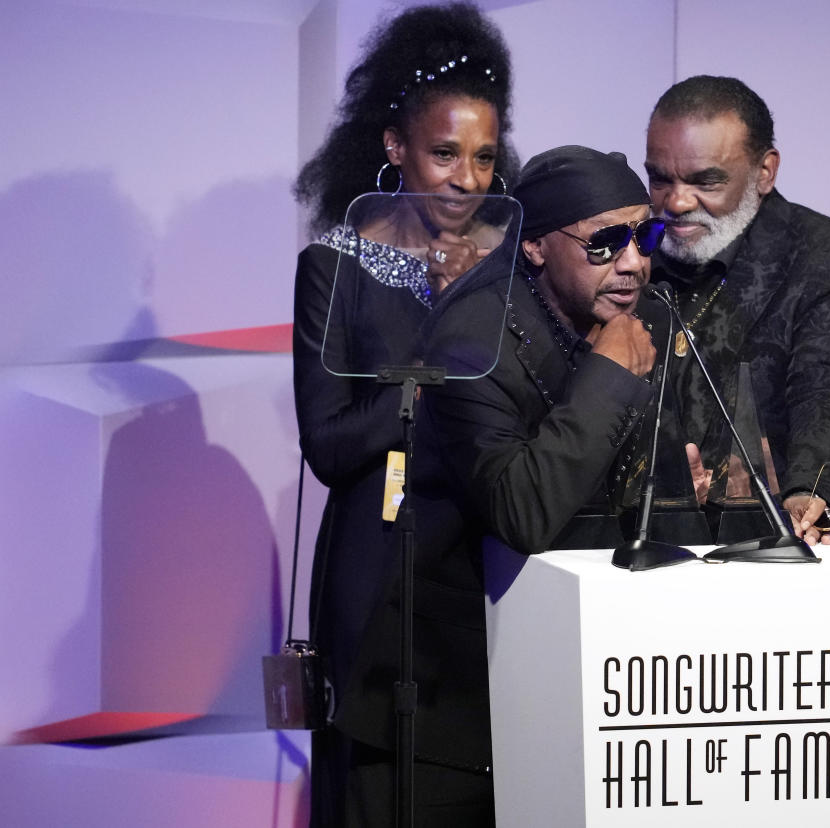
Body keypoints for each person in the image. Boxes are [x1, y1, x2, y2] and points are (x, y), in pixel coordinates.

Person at [330, 145, 663, 825]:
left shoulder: (635, 319)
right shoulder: (468, 344)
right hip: (438, 717)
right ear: (537, 247)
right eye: (606, 242)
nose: (633, 261)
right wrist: (610, 381)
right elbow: (524, 510)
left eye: (645, 235)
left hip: (554, 695)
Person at [289, 4, 517, 826]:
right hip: (373, 554)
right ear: (394, 147)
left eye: (484, 158)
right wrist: (428, 384)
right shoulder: (334, 266)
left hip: (479, 560)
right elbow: (330, 442)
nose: (466, 179)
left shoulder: (509, 268)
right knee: (371, 787)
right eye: (444, 154)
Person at [644, 75, 830, 679]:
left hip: (789, 584)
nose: (676, 201)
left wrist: (807, 488)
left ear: (765, 172)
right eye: (660, 177)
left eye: (705, 180)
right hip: (647, 589)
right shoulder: (632, 252)